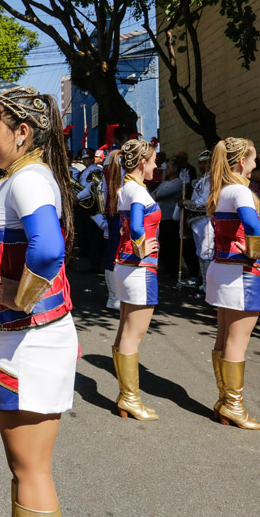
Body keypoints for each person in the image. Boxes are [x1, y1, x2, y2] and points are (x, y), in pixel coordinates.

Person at [0, 86, 77, 516]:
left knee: (31, 471)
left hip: (29, 340)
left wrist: (21, 296)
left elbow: (49, 248)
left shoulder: (29, 179)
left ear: (22, 132)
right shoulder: (24, 178)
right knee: (27, 470)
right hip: (21, 340)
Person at [205, 137, 260, 430]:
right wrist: (255, 251)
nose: (256, 164)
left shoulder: (223, 189)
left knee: (224, 337)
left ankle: (225, 402)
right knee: (237, 341)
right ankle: (233, 405)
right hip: (240, 272)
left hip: (222, 269)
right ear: (242, 162)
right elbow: (253, 225)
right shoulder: (240, 191)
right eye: (253, 159)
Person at [108, 139, 161, 421]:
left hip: (125, 266)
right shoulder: (137, 190)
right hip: (139, 268)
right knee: (132, 335)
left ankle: (126, 397)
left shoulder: (124, 188)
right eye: (153, 161)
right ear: (142, 162)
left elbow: (123, 226)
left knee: (125, 331)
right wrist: (144, 247)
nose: (156, 166)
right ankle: (129, 398)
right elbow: (137, 226)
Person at [182, 150, 214, 292]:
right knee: (200, 252)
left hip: (206, 218)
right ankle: (204, 283)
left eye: (205, 162)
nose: (202, 165)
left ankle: (209, 285)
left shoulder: (211, 179)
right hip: (196, 219)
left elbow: (204, 201)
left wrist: (186, 202)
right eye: (200, 162)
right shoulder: (202, 180)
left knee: (207, 252)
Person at [152, 158, 185, 277]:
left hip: (171, 219)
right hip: (162, 219)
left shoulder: (178, 182)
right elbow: (152, 195)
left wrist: (158, 193)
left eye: (169, 167)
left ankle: (172, 271)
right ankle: (164, 268)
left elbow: (159, 194)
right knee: (163, 245)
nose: (166, 169)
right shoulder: (164, 183)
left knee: (171, 246)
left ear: (175, 169)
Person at [99, 150, 123, 310]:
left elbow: (102, 191)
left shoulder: (108, 166)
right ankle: (115, 297)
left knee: (112, 253)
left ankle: (114, 297)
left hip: (111, 212)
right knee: (117, 253)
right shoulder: (122, 167)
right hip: (120, 213)